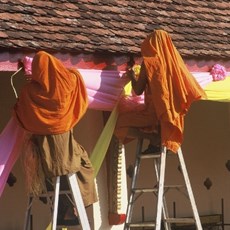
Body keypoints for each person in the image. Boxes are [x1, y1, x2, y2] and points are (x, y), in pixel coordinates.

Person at [13, 51, 98, 225]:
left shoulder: (29, 92)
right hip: (67, 154)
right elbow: (75, 77)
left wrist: (28, 77)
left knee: (56, 178)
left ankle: (66, 209)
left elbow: (20, 112)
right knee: (84, 169)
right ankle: (73, 208)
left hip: (44, 158)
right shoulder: (66, 83)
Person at [114, 30, 206, 154]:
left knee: (119, 124)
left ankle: (153, 138)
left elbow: (138, 90)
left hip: (154, 114)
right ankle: (157, 138)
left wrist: (132, 76)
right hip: (172, 114)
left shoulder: (150, 63)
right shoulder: (175, 63)